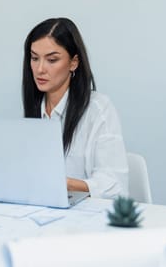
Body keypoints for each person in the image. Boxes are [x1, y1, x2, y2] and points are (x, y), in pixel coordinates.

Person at [22, 17, 128, 199]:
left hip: (87, 216)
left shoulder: (98, 109)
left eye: (52, 60)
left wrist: (64, 184)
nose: (40, 69)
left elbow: (114, 184)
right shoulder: (35, 109)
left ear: (73, 62)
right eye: (34, 58)